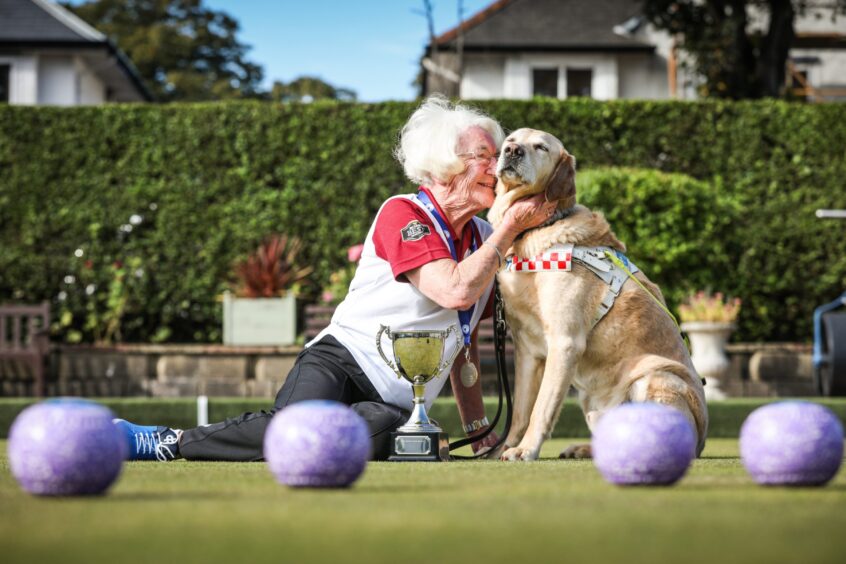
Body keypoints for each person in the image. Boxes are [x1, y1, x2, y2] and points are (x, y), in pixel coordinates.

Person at [115, 95, 556, 462]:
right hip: (342, 360)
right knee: (298, 431)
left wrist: (479, 430)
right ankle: (167, 441)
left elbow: (464, 347)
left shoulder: (484, 236)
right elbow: (454, 289)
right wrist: (511, 228)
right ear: (445, 165)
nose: (496, 168)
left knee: (377, 432)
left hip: (393, 403)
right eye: (484, 157)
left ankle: (395, 433)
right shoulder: (404, 213)